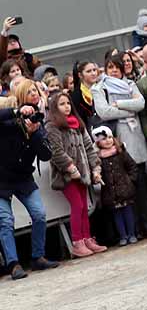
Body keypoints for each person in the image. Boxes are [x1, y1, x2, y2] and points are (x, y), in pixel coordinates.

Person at [92, 51, 147, 238]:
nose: (114, 71)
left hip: (136, 138)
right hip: (116, 141)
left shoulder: (130, 84)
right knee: (125, 188)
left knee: (141, 184)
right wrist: (128, 111)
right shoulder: (99, 88)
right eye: (110, 67)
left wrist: (119, 103)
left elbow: (140, 103)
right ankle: (132, 228)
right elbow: (104, 112)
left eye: (117, 67)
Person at [0, 79, 58, 280]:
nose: (35, 94)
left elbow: (46, 155)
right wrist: (17, 113)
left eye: (36, 91)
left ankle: (37, 257)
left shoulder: (37, 120)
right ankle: (13, 264)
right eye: (30, 91)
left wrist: (33, 134)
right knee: (6, 221)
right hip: (1, 179)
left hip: (23, 177)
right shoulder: (7, 117)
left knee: (39, 214)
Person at [45, 89, 106, 257]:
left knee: (84, 207)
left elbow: (88, 146)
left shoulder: (78, 123)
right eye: (61, 104)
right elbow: (56, 152)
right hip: (66, 175)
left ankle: (87, 239)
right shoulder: (52, 126)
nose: (66, 107)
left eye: (67, 104)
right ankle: (77, 242)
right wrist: (71, 168)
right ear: (54, 107)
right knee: (77, 205)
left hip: (83, 172)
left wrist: (95, 168)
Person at [91, 126, 140, 246]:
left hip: (125, 189)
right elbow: (97, 174)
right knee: (117, 215)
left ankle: (132, 234)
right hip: (110, 193)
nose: (108, 140)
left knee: (128, 212)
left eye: (109, 137)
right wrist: (96, 177)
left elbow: (132, 167)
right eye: (103, 139)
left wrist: (130, 180)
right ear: (97, 143)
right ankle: (123, 235)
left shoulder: (121, 152)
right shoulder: (98, 159)